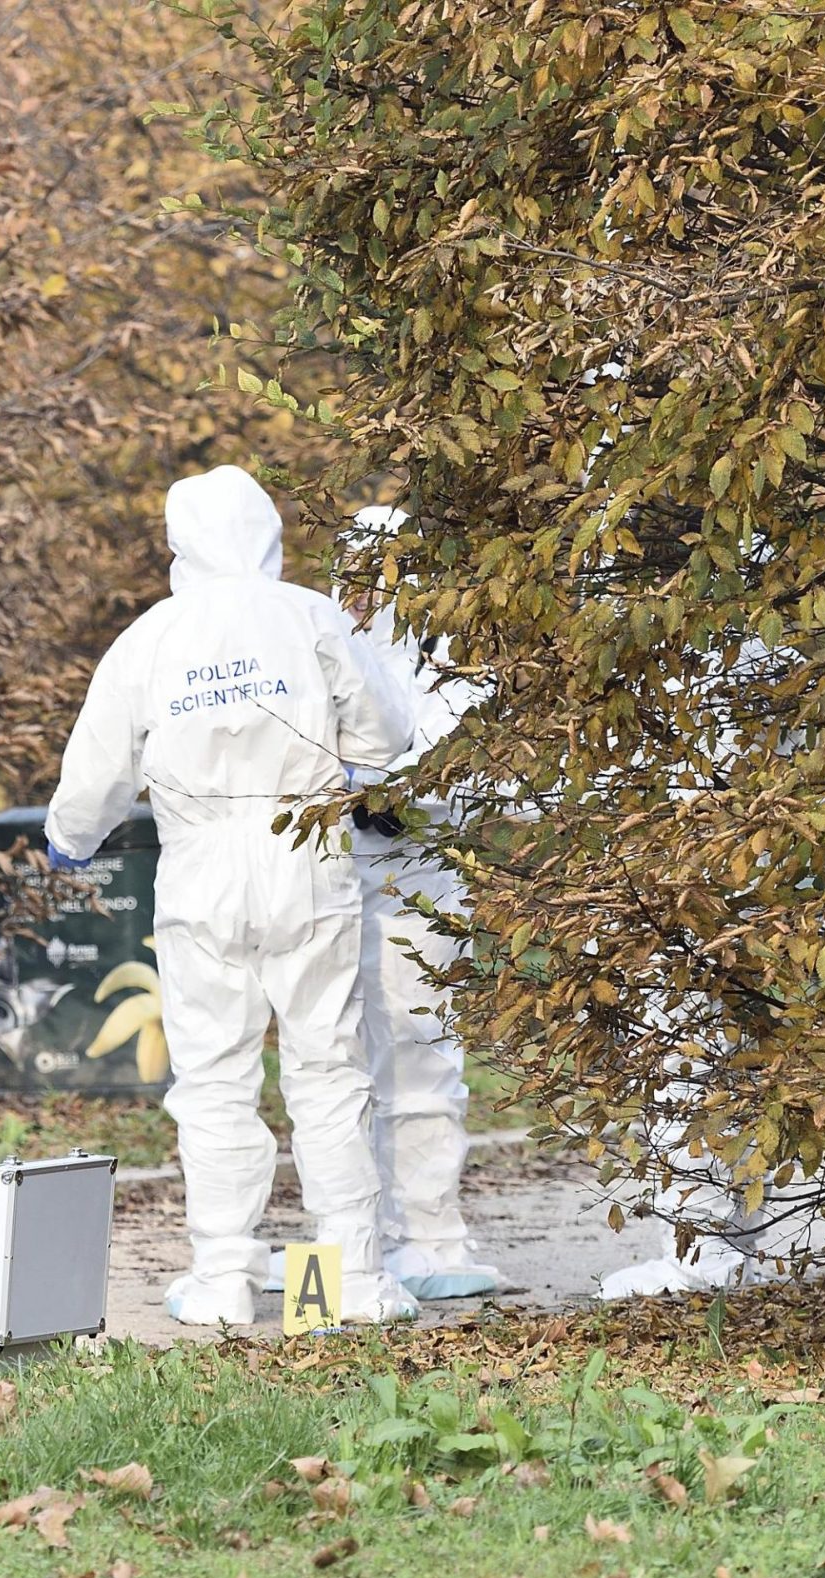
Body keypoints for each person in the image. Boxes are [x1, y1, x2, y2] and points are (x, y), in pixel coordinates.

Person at [45, 466, 418, 1327]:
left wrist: (71, 839)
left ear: (181, 546)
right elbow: (386, 731)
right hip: (308, 853)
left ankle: (221, 1277)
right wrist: (344, 766)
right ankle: (349, 1277)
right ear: (267, 531)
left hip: (200, 865)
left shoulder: (152, 636)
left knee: (213, 1075)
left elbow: (97, 768)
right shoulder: (311, 614)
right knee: (328, 1068)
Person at [335, 507, 503, 1300]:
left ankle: (432, 1235)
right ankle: (359, 1238)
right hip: (331, 880)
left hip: (418, 879)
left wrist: (392, 786)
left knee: (422, 1056)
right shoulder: (324, 642)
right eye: (358, 572)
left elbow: (463, 751)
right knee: (335, 1070)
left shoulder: (449, 655)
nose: (368, 592)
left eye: (383, 572)